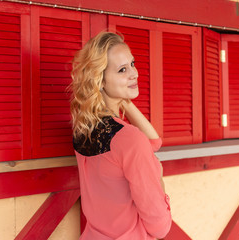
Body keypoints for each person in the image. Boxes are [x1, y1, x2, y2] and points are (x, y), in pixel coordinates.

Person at [69, 32, 172, 240]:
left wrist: (122, 99)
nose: (134, 74)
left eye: (132, 64)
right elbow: (160, 227)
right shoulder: (129, 139)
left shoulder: (82, 129)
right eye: (122, 70)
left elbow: (153, 142)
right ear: (100, 80)